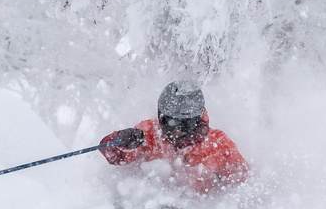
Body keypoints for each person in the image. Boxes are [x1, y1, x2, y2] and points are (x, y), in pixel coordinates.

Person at [99, 80, 249, 194]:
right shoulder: (149, 133)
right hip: (155, 207)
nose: (177, 130)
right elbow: (113, 156)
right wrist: (121, 140)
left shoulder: (218, 144)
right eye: (170, 122)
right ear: (161, 116)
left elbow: (242, 183)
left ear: (198, 119)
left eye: (186, 124)